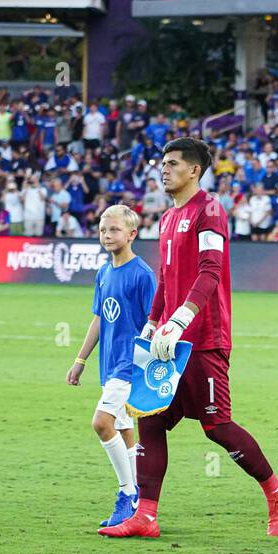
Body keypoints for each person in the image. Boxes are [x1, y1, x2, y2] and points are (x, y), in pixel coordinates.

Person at [100, 137, 278, 539]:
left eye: (172, 164)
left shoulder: (210, 210)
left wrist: (182, 318)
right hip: (167, 342)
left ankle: (276, 490)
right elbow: (168, 279)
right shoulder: (168, 219)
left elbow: (210, 270)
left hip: (203, 338)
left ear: (194, 171)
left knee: (216, 425)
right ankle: (145, 516)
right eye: (162, 163)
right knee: (150, 419)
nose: (164, 169)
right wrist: (154, 321)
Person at [66, 206, 158, 529]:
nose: (107, 235)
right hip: (109, 366)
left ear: (132, 234)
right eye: (103, 230)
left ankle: (127, 493)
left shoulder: (142, 274)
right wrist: (80, 360)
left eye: (114, 230)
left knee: (101, 423)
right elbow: (99, 318)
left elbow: (154, 320)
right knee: (122, 430)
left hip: (129, 367)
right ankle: (139, 501)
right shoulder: (104, 273)